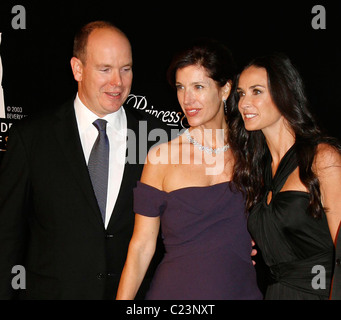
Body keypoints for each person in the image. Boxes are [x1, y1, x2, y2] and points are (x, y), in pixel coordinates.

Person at [0, 21, 166, 300]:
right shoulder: (32, 139)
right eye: (105, 69)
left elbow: (184, 222)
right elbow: (5, 237)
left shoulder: (155, 139)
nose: (118, 82)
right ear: (78, 69)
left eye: (126, 69)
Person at [116, 39, 262, 300]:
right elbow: (140, 247)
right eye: (181, 87)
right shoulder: (161, 156)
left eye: (198, 87)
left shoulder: (253, 152)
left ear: (225, 89)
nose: (187, 99)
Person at [227, 52, 341, 299]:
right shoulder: (257, 171)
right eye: (241, 93)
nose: (244, 103)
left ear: (284, 93)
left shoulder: (323, 158)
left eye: (256, 91)